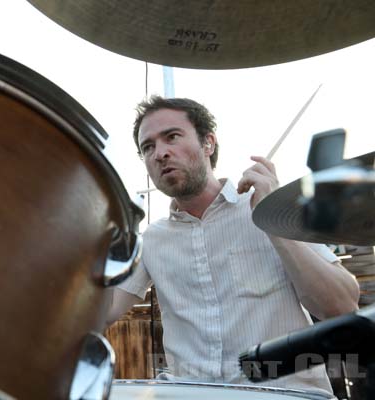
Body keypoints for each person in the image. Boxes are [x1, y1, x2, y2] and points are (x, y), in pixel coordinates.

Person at [107, 96, 360, 394]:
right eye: (147, 147)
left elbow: (342, 307)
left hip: (284, 394)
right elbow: (101, 314)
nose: (160, 153)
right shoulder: (151, 239)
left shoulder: (268, 209)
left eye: (172, 137)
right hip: (189, 393)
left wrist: (271, 222)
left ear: (208, 143)